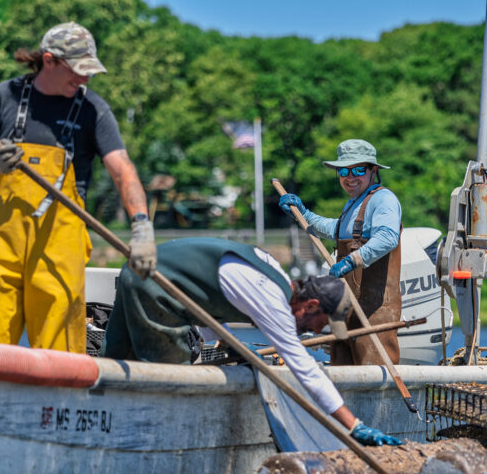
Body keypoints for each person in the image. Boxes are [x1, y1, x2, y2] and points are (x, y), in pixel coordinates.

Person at [0, 21, 156, 353]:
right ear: (49, 60)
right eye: (78, 70)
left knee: (60, 349)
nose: (85, 78)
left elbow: (123, 170)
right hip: (3, 241)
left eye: (89, 71)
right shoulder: (5, 96)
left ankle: (60, 404)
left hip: (60, 243)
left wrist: (141, 226)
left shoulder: (93, 109)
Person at [101, 237, 401, 446]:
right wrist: (354, 426)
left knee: (112, 362)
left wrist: (230, 345)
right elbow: (305, 369)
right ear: (309, 305)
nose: (310, 332)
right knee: (170, 378)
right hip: (155, 284)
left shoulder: (272, 272)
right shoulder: (271, 298)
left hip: (137, 270)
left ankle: (104, 429)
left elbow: (208, 299)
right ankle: (151, 444)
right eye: (318, 324)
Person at [278, 139, 402, 366]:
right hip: (346, 311)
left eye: (358, 170)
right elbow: (336, 229)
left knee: (374, 371)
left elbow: (387, 238)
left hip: (375, 312)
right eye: (343, 170)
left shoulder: (383, 199)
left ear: (373, 170)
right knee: (342, 370)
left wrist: (352, 261)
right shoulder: (353, 203)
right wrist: (303, 214)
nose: (350, 176)